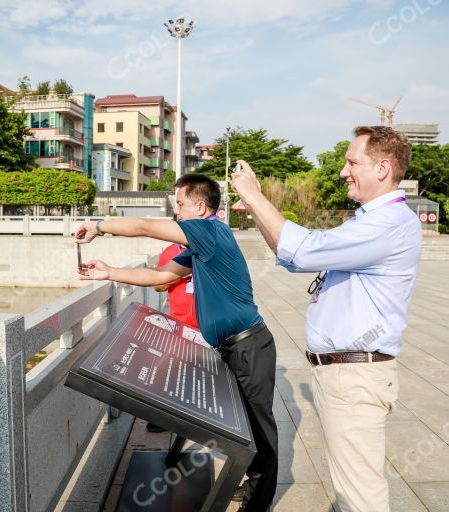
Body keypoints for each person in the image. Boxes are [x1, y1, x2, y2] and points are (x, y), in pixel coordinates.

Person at [230, 126, 422, 512]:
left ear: (383, 167)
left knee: (359, 496)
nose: (343, 171)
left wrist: (255, 194)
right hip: (342, 374)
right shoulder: (370, 220)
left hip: (354, 376)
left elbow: (305, 251)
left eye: (353, 162)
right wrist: (257, 211)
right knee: (350, 487)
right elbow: (295, 257)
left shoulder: (389, 223)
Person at [75, 174, 278, 512]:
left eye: (180, 205)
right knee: (248, 430)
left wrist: (99, 225)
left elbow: (144, 225)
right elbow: (159, 278)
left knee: (260, 431)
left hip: (249, 346)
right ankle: (254, 488)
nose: (176, 214)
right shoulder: (200, 246)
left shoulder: (211, 231)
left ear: (201, 207)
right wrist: (108, 272)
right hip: (233, 348)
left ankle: (259, 503)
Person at [145, 237, 198, 433]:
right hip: (179, 321)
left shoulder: (208, 246)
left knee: (205, 373)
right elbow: (158, 286)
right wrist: (183, 272)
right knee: (172, 370)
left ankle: (200, 417)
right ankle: (167, 418)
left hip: (208, 322)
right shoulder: (170, 252)